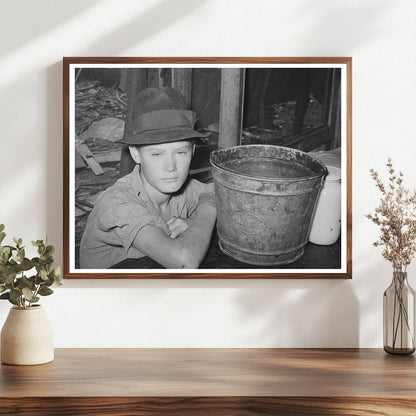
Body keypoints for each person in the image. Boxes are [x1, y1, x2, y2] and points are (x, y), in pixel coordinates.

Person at [79, 87, 217, 269]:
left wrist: (192, 223)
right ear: (136, 154)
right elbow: (184, 261)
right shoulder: (118, 204)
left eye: (181, 152)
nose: (171, 167)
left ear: (192, 151)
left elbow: (224, 195)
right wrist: (208, 206)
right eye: (157, 154)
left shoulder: (186, 189)